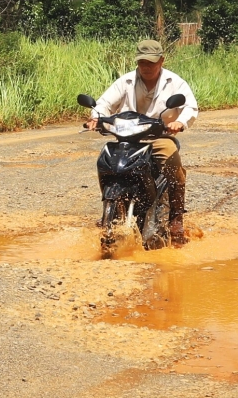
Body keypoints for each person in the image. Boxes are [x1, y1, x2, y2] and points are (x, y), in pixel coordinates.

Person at [85, 38, 199, 246]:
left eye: (151, 62)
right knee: (106, 161)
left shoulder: (175, 83)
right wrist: (96, 117)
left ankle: (176, 219)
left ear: (161, 60)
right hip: (126, 139)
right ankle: (110, 208)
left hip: (157, 137)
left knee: (172, 162)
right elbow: (104, 103)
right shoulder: (126, 81)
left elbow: (190, 107)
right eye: (142, 62)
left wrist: (179, 123)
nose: (146, 67)